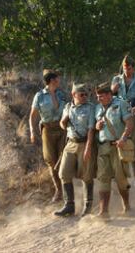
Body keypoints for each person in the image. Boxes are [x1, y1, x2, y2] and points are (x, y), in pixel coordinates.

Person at [54, 83, 96, 217]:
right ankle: (69, 205)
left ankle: (88, 205)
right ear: (74, 95)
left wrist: (88, 148)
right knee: (64, 173)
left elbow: (91, 129)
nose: (84, 97)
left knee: (86, 175)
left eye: (86, 94)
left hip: (84, 143)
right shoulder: (67, 107)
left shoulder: (90, 108)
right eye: (81, 94)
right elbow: (62, 124)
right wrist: (63, 121)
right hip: (71, 143)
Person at [95, 83, 134, 217]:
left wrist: (123, 138)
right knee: (103, 178)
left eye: (101, 96)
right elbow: (96, 126)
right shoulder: (97, 108)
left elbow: (129, 123)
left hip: (117, 146)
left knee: (120, 178)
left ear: (109, 95)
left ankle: (127, 205)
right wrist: (97, 126)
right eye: (97, 97)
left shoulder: (121, 104)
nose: (99, 99)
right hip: (103, 146)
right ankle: (103, 211)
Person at [29, 69, 67, 203]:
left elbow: (69, 110)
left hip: (62, 129)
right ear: (52, 80)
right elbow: (32, 115)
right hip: (47, 129)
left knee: (64, 158)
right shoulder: (39, 96)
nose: (59, 80)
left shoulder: (62, 94)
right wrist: (32, 132)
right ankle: (59, 190)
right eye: (57, 78)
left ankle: (67, 189)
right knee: (51, 160)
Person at [111, 55, 135, 187]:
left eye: (129, 67)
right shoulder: (116, 79)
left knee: (132, 146)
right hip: (117, 115)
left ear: (133, 68)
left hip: (132, 114)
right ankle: (121, 176)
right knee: (117, 145)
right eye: (125, 67)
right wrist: (112, 91)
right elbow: (108, 97)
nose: (127, 70)